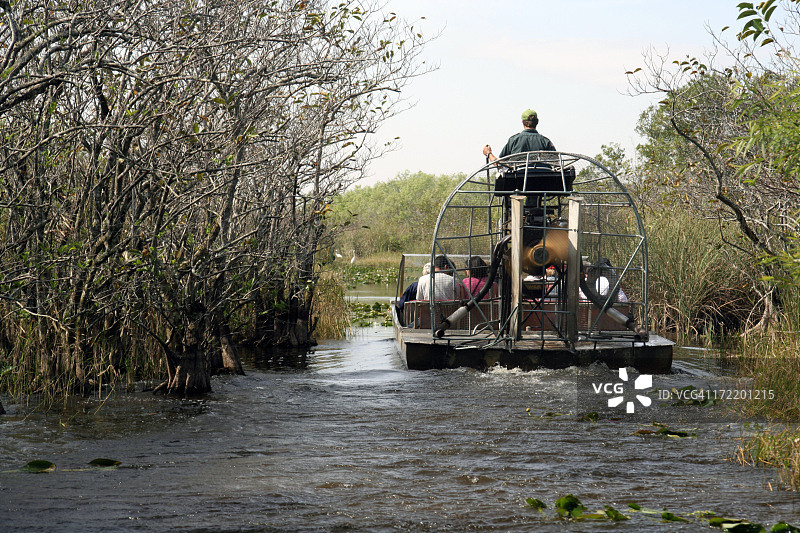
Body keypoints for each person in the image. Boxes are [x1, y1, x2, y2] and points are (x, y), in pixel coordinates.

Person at [482, 109, 556, 162]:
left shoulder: (513, 140)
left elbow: (500, 164)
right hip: (543, 182)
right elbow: (556, 162)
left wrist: (489, 154)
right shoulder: (546, 142)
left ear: (523, 122)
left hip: (517, 182)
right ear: (537, 122)